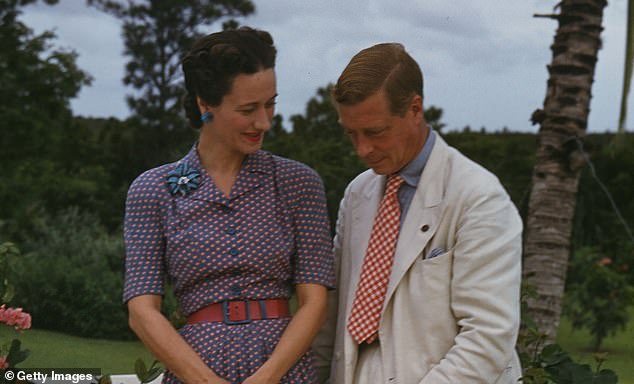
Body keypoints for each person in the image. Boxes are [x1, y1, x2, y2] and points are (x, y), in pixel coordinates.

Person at [123, 27, 334, 384]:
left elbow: (314, 302)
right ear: (206, 104)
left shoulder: (299, 183)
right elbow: (142, 312)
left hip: (283, 369)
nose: (264, 122)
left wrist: (266, 378)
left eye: (270, 104)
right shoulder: (152, 190)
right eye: (248, 109)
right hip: (195, 369)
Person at [313, 43, 523, 383]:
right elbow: (332, 318)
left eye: (375, 132)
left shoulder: (479, 197)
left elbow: (488, 338)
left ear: (415, 109)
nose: (362, 149)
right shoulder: (357, 194)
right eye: (351, 133)